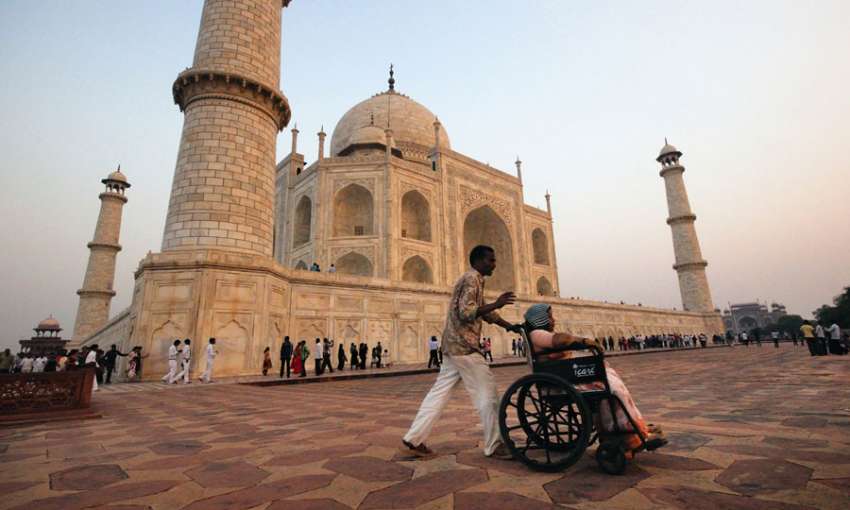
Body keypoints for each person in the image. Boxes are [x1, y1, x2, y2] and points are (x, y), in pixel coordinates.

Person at [401, 245, 521, 460]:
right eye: (490, 260)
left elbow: (485, 312)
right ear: (477, 261)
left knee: (438, 394)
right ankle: (494, 444)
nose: (494, 264)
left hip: (452, 347)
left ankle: (413, 438)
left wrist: (509, 326)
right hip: (465, 347)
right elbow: (467, 313)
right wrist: (498, 303)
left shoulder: (473, 280)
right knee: (488, 394)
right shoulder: (472, 279)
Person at [523, 303, 667, 455]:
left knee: (610, 387)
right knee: (610, 390)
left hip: (564, 380)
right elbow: (561, 340)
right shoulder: (537, 334)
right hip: (561, 384)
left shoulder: (537, 335)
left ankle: (628, 430)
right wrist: (584, 341)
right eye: (549, 316)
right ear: (539, 319)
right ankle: (629, 435)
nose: (553, 320)